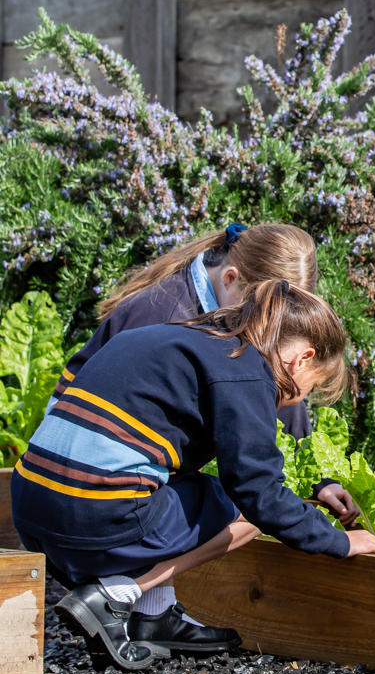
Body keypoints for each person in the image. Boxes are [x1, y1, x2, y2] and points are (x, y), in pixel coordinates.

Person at [13, 280, 375, 671]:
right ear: (302, 359)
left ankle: (155, 618)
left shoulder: (176, 335)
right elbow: (259, 495)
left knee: (176, 485)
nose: (300, 397)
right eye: (310, 387)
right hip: (92, 516)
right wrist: (341, 542)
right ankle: (117, 594)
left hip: (31, 509)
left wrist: (315, 488)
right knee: (246, 515)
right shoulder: (244, 370)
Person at [55, 223, 358, 525]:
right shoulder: (164, 316)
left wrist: (321, 481)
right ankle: (136, 574)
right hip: (85, 477)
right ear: (230, 279)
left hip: (105, 471)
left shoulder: (232, 319)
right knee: (241, 514)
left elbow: (278, 387)